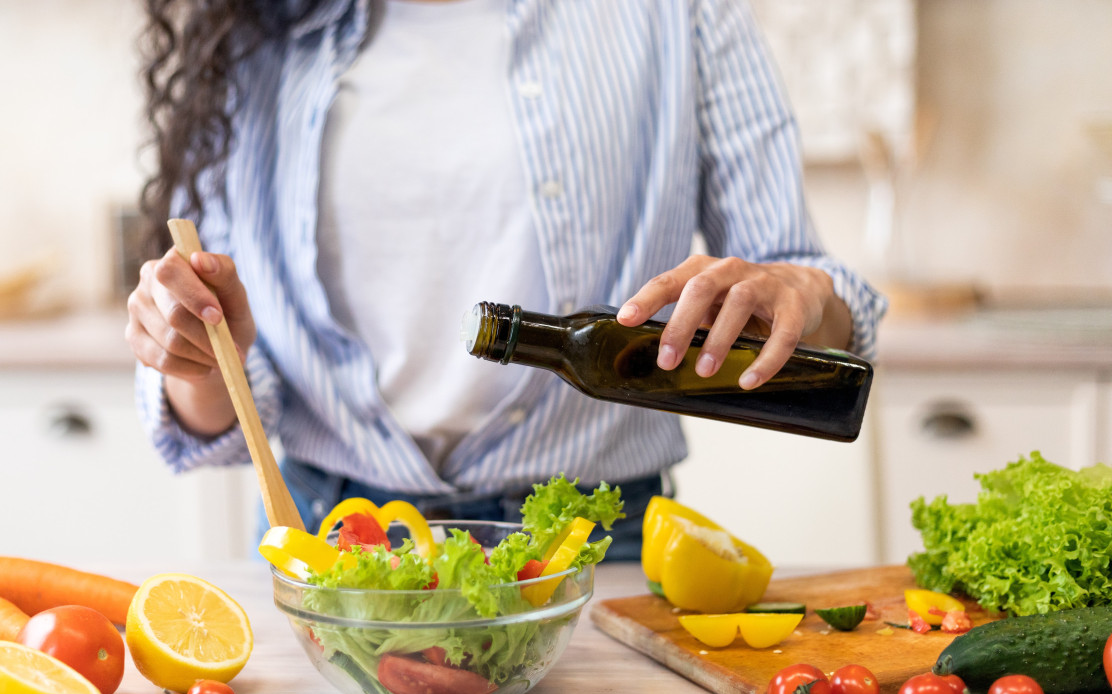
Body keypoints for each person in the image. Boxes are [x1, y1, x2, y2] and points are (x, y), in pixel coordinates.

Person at [125, 0, 887, 561]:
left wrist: (802, 295)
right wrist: (194, 354)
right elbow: (225, 405)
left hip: (590, 545)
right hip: (333, 541)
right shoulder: (251, 30)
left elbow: (797, 287)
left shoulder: (675, 15)